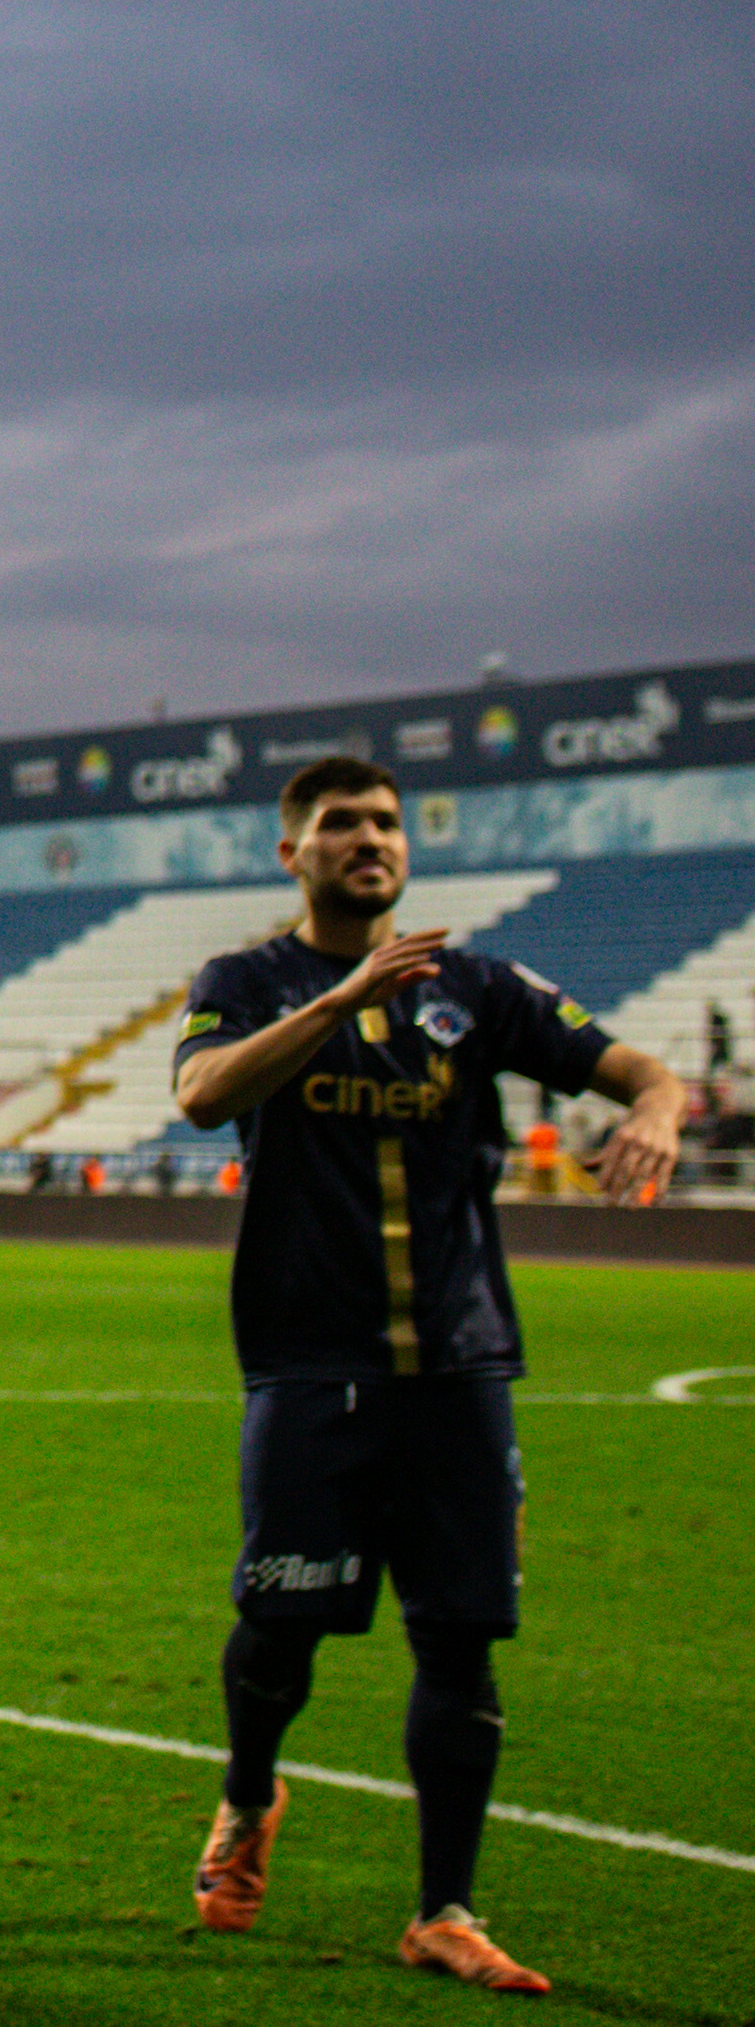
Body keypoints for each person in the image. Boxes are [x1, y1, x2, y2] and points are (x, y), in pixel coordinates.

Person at [169, 754, 688, 1994]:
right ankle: (248, 1794)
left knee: (460, 1641)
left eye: (387, 822)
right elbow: (200, 1096)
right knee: (280, 1628)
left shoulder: (478, 987)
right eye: (341, 823)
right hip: (310, 1364)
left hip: (459, 1365)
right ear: (291, 852)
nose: (370, 839)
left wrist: (658, 1110)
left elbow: (642, 1068)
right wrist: (342, 996)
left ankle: (443, 1912)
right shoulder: (244, 981)